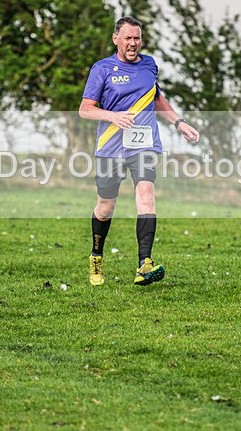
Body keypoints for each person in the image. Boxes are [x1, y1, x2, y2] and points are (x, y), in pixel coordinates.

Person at [79, 17, 200, 286]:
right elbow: (85, 109)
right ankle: (96, 255)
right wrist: (113, 116)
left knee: (146, 196)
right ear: (116, 39)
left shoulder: (149, 65)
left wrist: (179, 122)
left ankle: (144, 264)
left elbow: (156, 97)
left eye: (137, 38)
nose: (133, 43)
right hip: (110, 147)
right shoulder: (102, 69)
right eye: (128, 38)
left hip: (143, 144)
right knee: (106, 206)